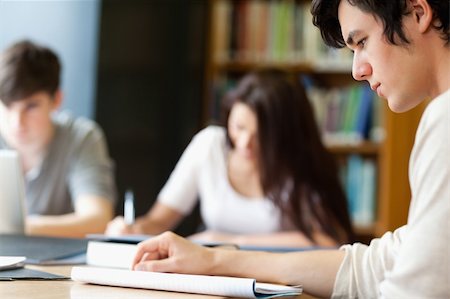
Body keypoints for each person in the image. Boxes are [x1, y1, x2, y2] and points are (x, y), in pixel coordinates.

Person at [130, 0, 449, 298]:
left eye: (362, 42)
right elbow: (381, 265)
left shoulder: (443, 119)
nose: (357, 70)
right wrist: (215, 261)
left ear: (418, 13)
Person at [106, 69, 354, 247]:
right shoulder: (210, 145)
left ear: (285, 135)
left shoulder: (298, 161)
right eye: (239, 127)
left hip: (278, 281)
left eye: (261, 135)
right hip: (216, 276)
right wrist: (132, 230)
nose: (245, 143)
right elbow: (159, 220)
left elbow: (329, 238)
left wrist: (230, 241)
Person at [0, 40, 117, 237]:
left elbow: (97, 219)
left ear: (56, 100)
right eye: (7, 106)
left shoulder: (81, 138)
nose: (16, 122)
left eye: (31, 106)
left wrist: (23, 228)